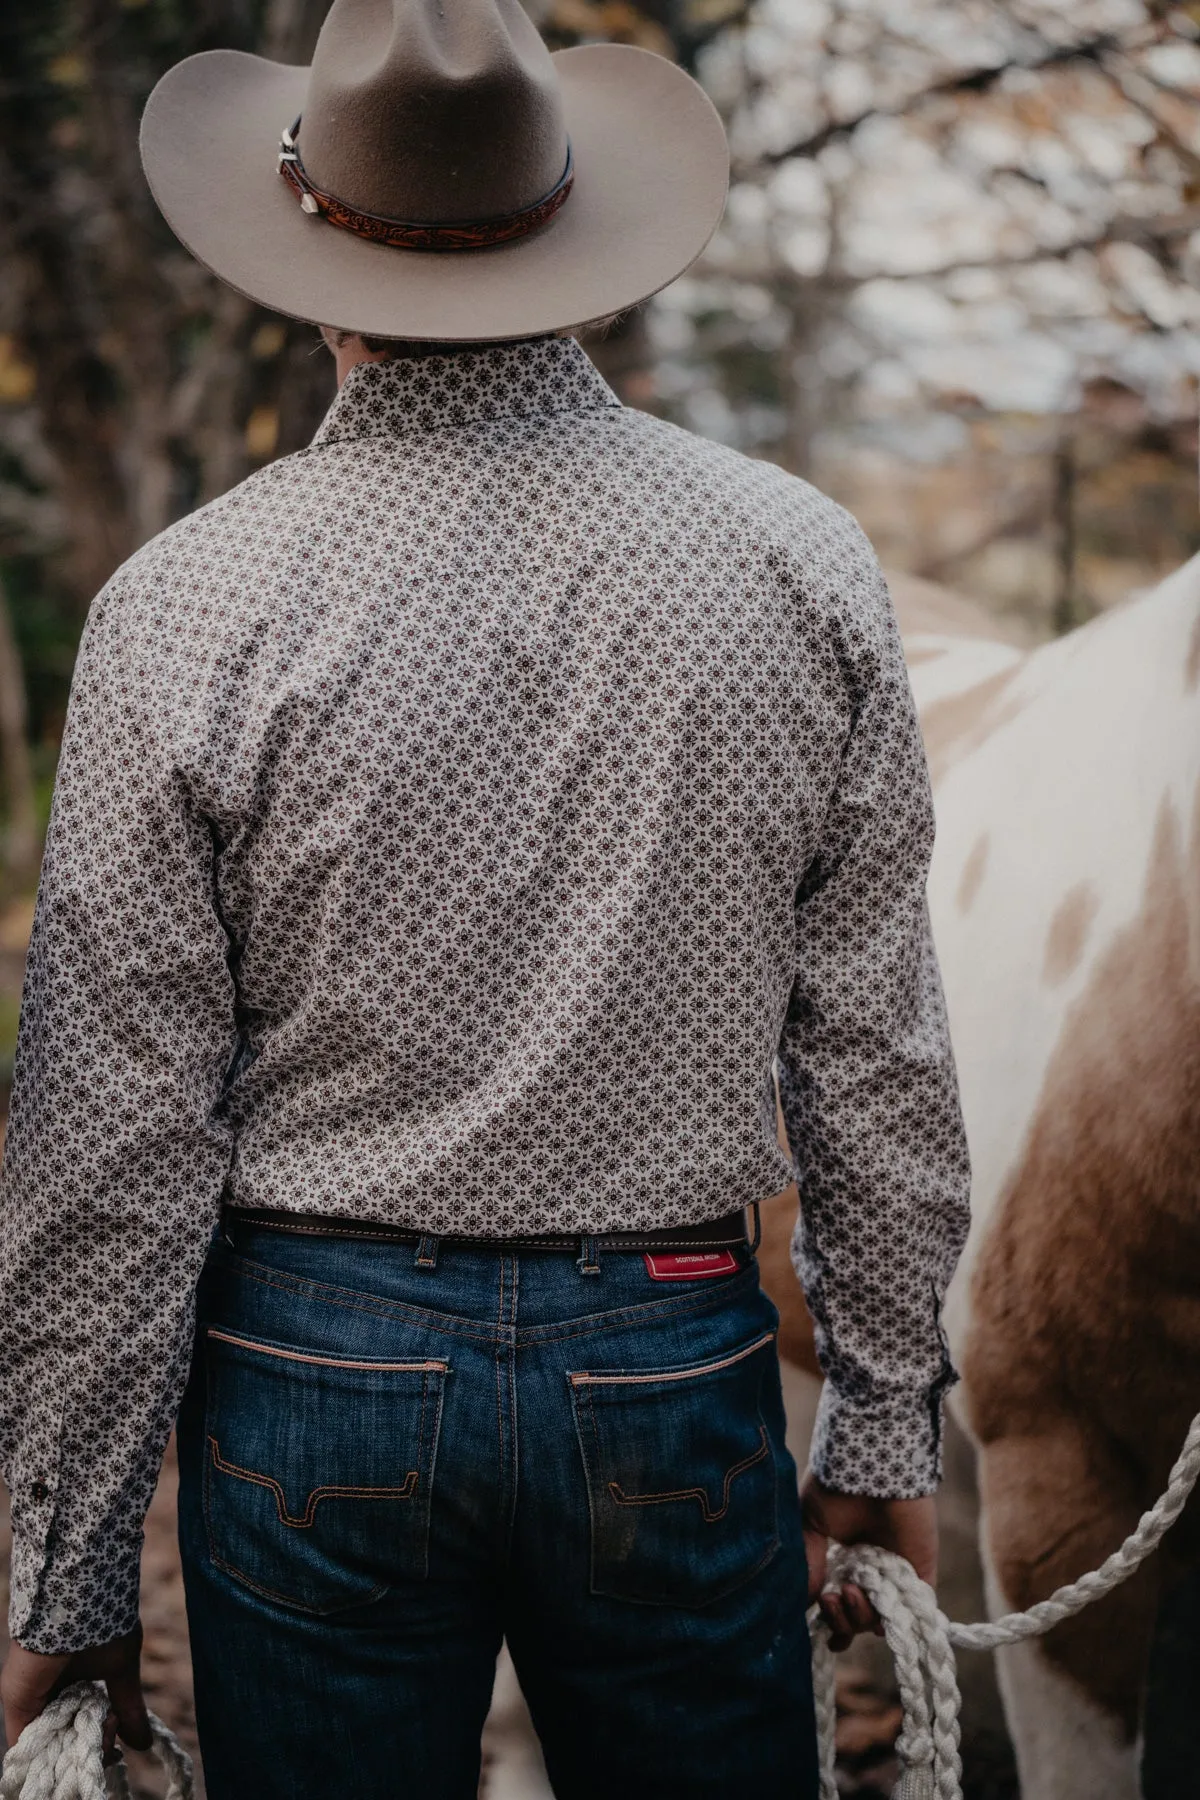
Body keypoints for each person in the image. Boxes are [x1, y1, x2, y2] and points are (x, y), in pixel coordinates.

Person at [0, 1, 970, 1794]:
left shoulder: (188, 606)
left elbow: (110, 1141)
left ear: (307, 253)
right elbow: (880, 1051)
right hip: (674, 1352)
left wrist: (59, 1579)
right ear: (579, 232)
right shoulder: (796, 562)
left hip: (309, 1366)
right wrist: (887, 1420)